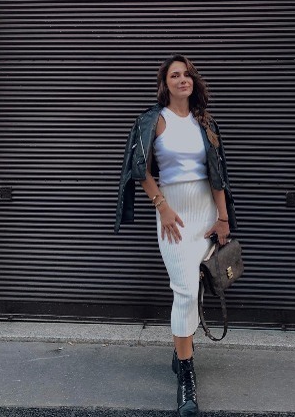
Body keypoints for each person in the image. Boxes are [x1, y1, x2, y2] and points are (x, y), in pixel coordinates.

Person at [115, 54, 237, 416]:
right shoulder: (152, 121)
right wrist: (162, 206)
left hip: (204, 213)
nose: (182, 80)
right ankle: (186, 376)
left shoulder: (205, 122)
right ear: (164, 83)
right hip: (173, 214)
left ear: (193, 82)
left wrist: (223, 219)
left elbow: (217, 174)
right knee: (184, 288)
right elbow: (141, 169)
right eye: (175, 75)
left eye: (187, 75)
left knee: (196, 288)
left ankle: (179, 353)